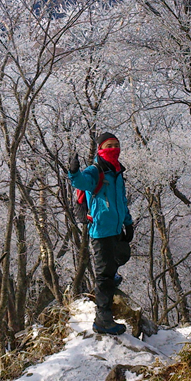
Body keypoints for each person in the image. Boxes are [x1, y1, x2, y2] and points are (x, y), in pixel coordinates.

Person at [68, 132, 134, 335]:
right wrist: (73, 171)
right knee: (104, 276)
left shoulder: (117, 172)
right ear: (100, 149)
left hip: (115, 228)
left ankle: (110, 284)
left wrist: (128, 222)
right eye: (109, 145)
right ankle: (103, 320)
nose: (113, 148)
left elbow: (121, 200)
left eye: (116, 144)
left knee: (120, 259)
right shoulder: (95, 171)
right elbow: (80, 182)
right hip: (100, 231)